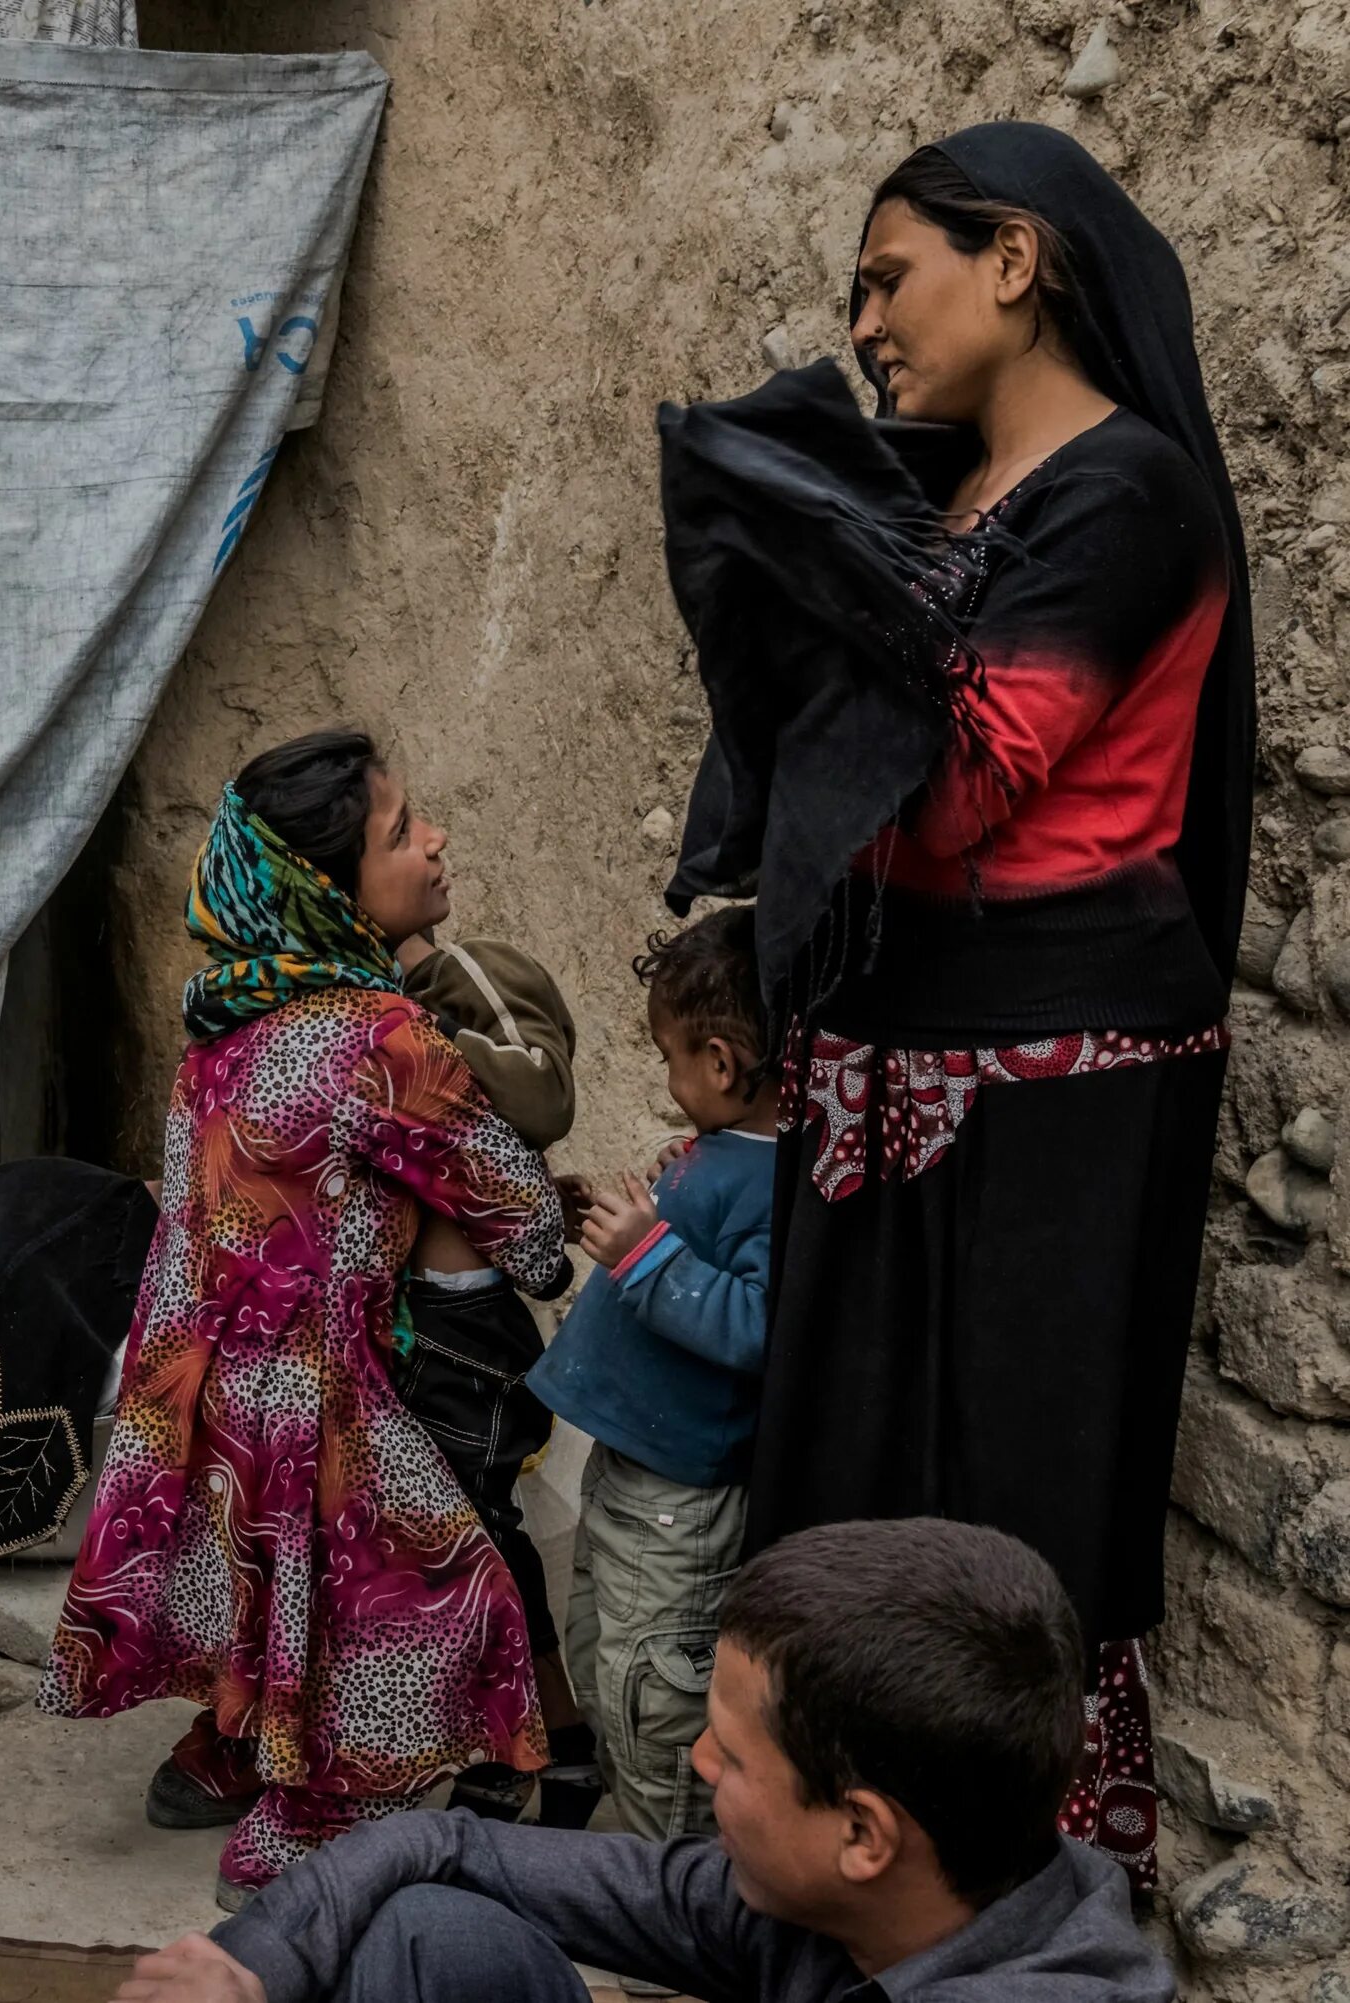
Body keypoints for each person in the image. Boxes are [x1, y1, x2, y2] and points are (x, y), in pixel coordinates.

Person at [659, 125, 1252, 1891]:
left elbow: (974, 773)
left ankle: (1003, 1913)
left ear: (1016, 261)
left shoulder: (1123, 491)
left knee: (1012, 1500)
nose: (867, 324)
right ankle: (833, 1882)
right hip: (890, 1059)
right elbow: (836, 750)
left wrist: (817, 561)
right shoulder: (948, 497)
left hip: (1055, 1086)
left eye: (889, 275)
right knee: (849, 1482)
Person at [39, 729, 570, 1907]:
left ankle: (238, 1726)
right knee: (449, 1567)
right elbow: (531, 1237)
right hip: (325, 1404)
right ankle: (323, 1785)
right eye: (400, 832)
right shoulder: (383, 1040)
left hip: (197, 1391)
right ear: (328, 889)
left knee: (269, 1509)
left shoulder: (219, 1030)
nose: (432, 839)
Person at [109, 1519, 1171, 2003]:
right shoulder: (877, 1900)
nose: (699, 1759)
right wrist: (248, 1965)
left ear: (863, 1831)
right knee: (429, 1929)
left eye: (736, 1751)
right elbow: (444, 1840)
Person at [529, 904, 776, 1840]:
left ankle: (677, 1897)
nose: (669, 1082)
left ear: (720, 1062)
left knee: (654, 1699)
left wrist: (646, 1257)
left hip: (679, 1501)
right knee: (611, 1661)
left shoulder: (776, 1180)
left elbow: (759, 1323)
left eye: (671, 1058)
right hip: (635, 1479)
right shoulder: (729, 1153)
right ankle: (648, 1848)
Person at [387, 932, 599, 1829]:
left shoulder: (445, 1066)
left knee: (471, 1549)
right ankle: (549, 1733)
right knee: (479, 1543)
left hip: (459, 1340)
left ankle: (524, 1745)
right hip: (449, 1332)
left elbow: (543, 1255)